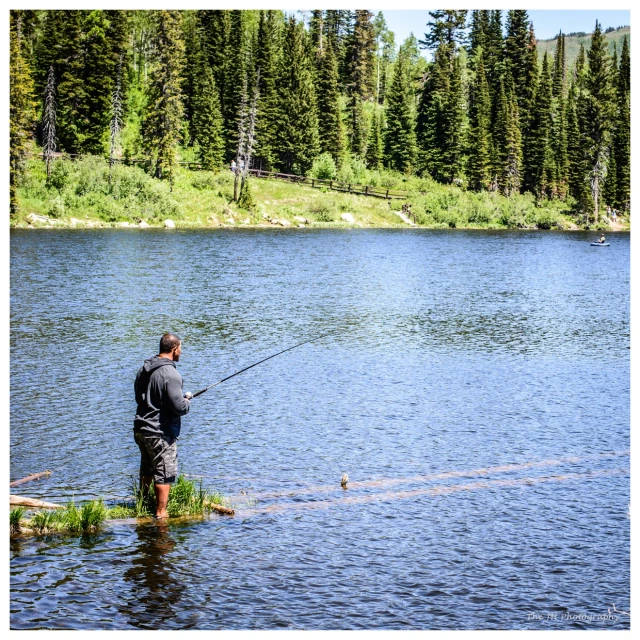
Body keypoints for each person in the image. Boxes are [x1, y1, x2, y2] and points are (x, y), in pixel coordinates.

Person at [134, 333, 191, 519]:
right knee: (164, 473)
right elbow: (179, 407)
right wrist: (186, 402)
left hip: (141, 429)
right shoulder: (171, 374)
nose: (181, 352)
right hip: (160, 431)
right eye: (180, 348)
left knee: (147, 468)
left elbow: (141, 398)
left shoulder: (145, 369)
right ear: (174, 349)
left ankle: (142, 504)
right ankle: (161, 514)